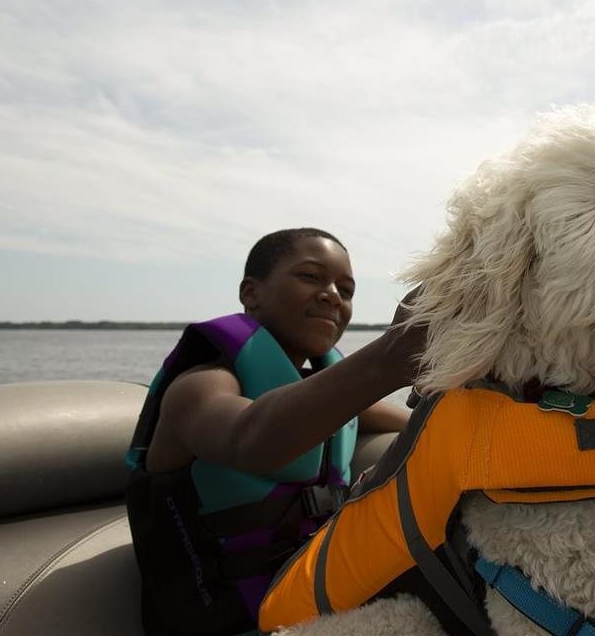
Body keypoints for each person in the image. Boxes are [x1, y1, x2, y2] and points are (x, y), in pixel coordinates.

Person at [124, 228, 423, 636]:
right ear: (251, 292)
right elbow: (251, 441)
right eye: (310, 277)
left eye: (346, 289)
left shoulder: (329, 395)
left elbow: (401, 421)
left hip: (321, 602)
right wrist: (390, 357)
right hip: (228, 621)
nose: (332, 294)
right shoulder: (198, 388)